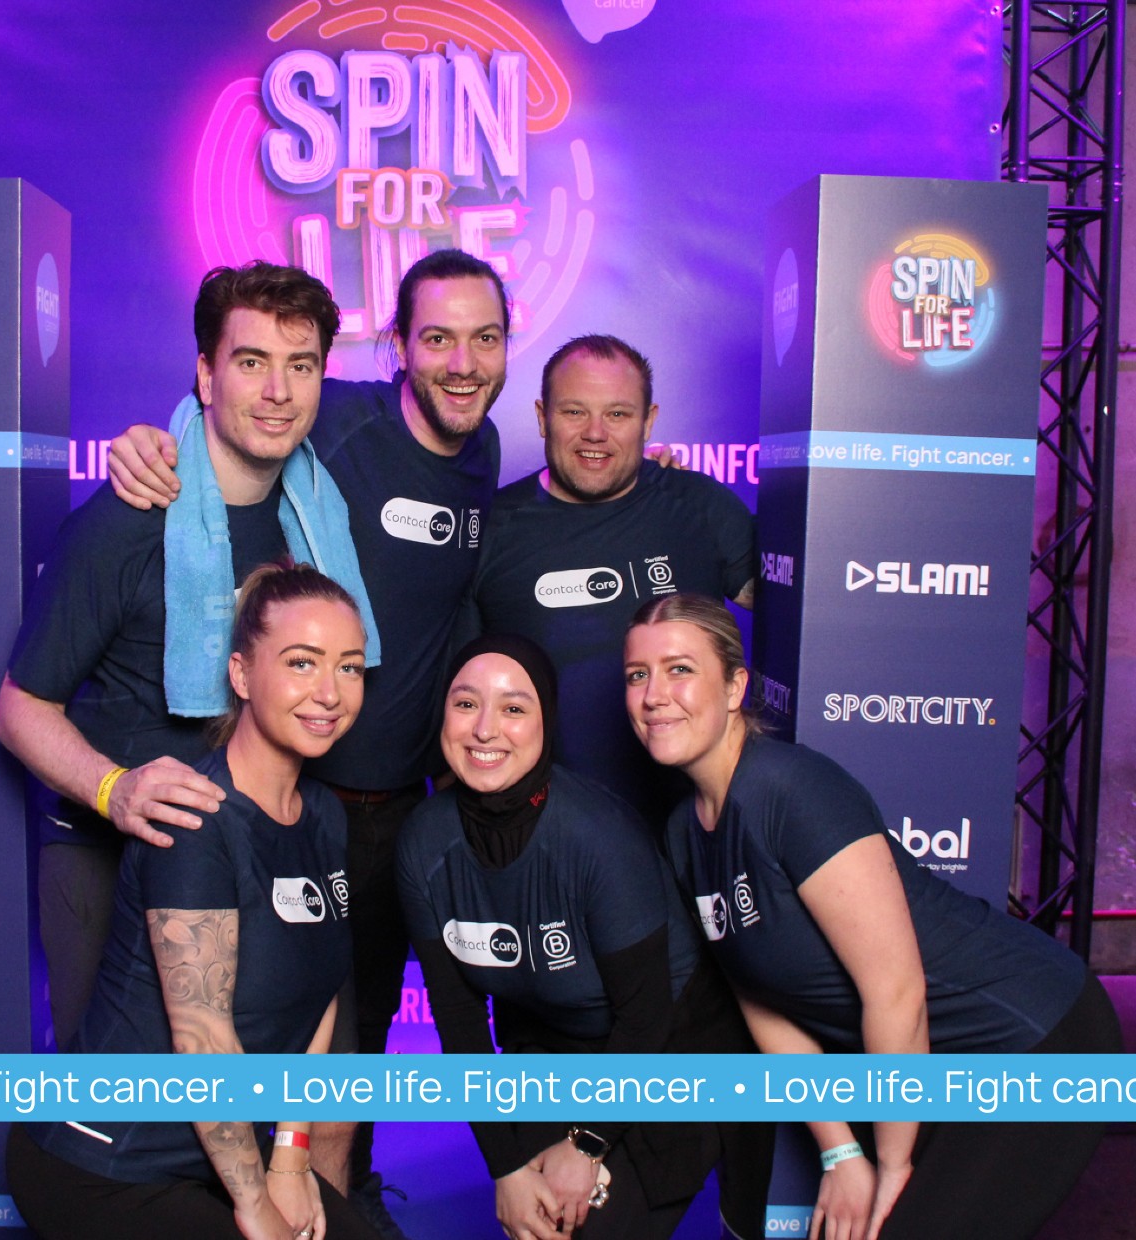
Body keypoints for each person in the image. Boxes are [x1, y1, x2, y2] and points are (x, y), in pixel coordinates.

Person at [102, 249, 509, 1230]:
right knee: (249, 1028)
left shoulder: (485, 447)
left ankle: (339, 1201)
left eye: (485, 339)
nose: (462, 363)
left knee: (349, 1044)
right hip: (287, 799)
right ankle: (266, 1198)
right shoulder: (337, 416)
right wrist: (148, 441)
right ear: (397, 346)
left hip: (394, 806)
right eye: (438, 338)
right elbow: (237, 404)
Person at [623, 594, 1122, 1240]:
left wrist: (890, 1166)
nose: (655, 696)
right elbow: (764, 1005)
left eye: (680, 670)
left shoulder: (791, 791)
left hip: (1035, 1039)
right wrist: (840, 1154)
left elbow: (895, 991)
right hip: (927, 1063)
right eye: (638, 675)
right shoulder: (684, 834)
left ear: (736, 687)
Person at [0, 261, 373, 1051]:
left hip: (239, 852)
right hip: (107, 848)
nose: (277, 391)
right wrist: (114, 789)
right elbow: (19, 708)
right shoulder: (130, 518)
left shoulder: (315, 519)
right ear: (205, 375)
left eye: (300, 366)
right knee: (118, 1098)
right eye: (251, 362)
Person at [8, 562, 379, 1240]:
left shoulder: (324, 816)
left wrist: (291, 1158)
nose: (329, 692)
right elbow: (203, 1043)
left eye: (349, 667)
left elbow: (319, 993)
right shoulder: (196, 820)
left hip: (221, 1153)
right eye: (301, 662)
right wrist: (257, 1206)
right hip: (107, 1164)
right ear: (241, 674)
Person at [395, 634, 772, 1240]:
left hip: (668, 1051)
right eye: (466, 704)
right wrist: (506, 1166)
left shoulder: (598, 836)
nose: (485, 729)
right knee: (536, 1217)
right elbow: (460, 1022)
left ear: (545, 722)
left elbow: (646, 1017)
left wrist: (588, 1143)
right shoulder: (422, 842)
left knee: (585, 1230)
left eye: (513, 708)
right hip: (551, 1049)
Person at [467, 335, 756, 825]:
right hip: (547, 833)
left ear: (649, 421)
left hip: (695, 828)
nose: (595, 433)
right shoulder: (492, 530)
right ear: (541, 417)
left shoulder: (700, 506)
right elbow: (457, 694)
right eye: (574, 412)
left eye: (618, 414)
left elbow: (799, 609)